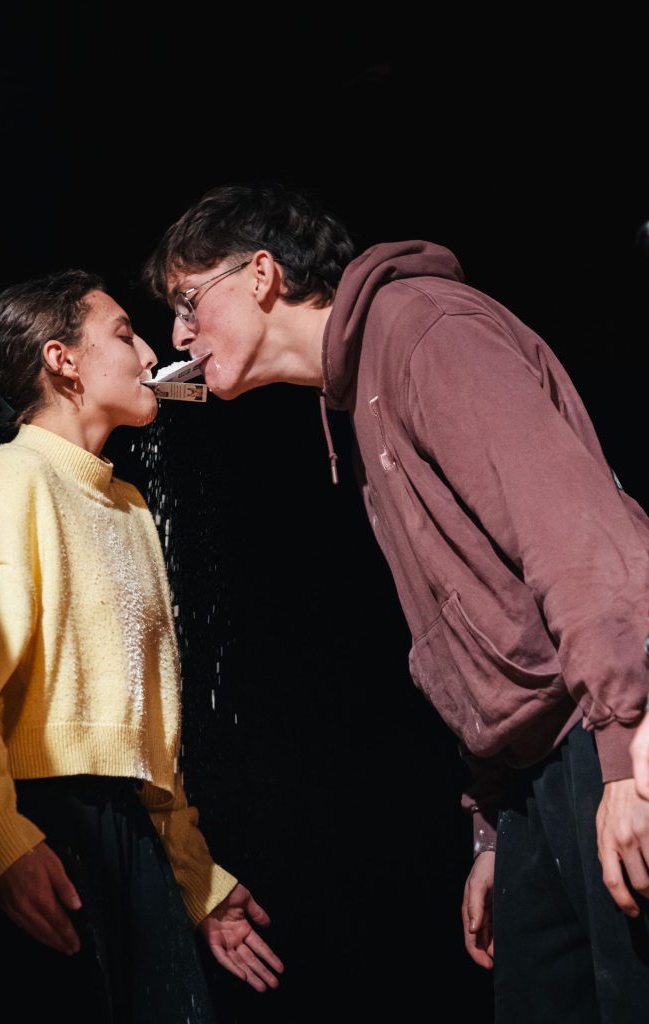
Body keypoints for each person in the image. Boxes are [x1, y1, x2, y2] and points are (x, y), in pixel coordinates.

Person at [143, 183, 649, 1021]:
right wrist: (492, 826)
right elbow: (461, 619)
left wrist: (629, 752)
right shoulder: (355, 389)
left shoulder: (424, 330)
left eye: (189, 302)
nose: (178, 336)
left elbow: (579, 543)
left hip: (602, 741)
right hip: (535, 781)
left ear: (262, 274)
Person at [0, 270, 284, 1020]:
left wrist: (194, 880)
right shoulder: (7, 482)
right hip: (45, 828)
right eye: (124, 334)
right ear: (63, 360)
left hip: (129, 835)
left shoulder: (129, 506)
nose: (150, 354)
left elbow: (150, 738)